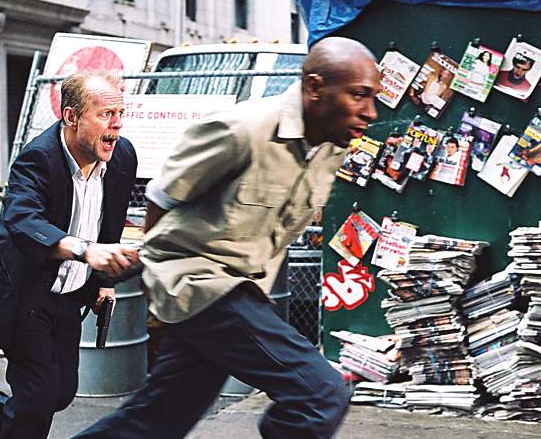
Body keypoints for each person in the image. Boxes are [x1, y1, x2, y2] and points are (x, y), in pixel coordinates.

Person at [71, 36, 380, 439]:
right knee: (319, 392)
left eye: (373, 98)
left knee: (157, 420)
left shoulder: (330, 146)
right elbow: (162, 196)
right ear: (316, 88)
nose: (370, 112)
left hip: (243, 289)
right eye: (359, 96)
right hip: (199, 284)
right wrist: (159, 276)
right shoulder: (242, 130)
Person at [0, 70, 139, 439]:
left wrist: (104, 282)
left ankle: (3, 417)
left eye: (120, 113)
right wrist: (83, 251)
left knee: (61, 392)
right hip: (25, 290)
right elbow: (22, 221)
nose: (117, 125)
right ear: (72, 116)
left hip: (70, 292)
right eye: (106, 114)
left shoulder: (122, 156)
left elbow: (110, 223)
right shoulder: (38, 158)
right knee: (40, 398)